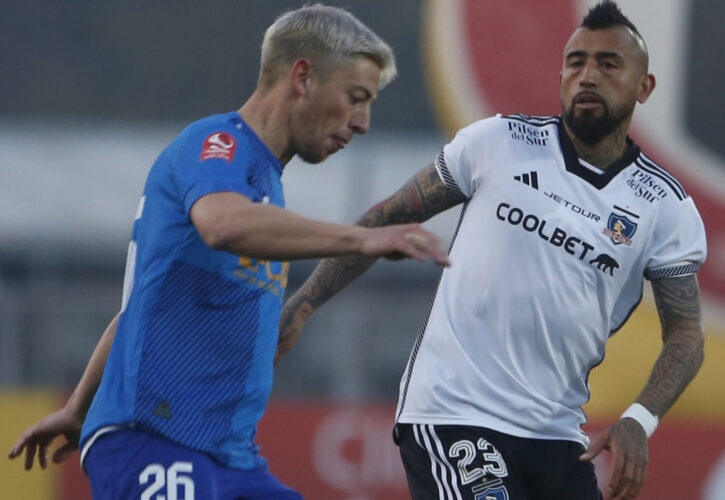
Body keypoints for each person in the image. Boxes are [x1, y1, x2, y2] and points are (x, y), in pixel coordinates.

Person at [8, 4, 449, 499]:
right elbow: (221, 224)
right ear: (302, 77)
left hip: (231, 460)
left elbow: (138, 311)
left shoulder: (264, 186)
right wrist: (362, 237)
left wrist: (76, 409)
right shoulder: (217, 145)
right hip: (153, 444)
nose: (363, 121)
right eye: (355, 97)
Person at [278, 1, 706, 499]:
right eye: (576, 62)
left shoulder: (665, 206)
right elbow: (386, 218)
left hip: (559, 436)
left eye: (608, 64)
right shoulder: (499, 141)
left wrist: (640, 418)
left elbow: (687, 333)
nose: (587, 75)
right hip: (455, 413)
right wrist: (304, 303)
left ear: (644, 86)